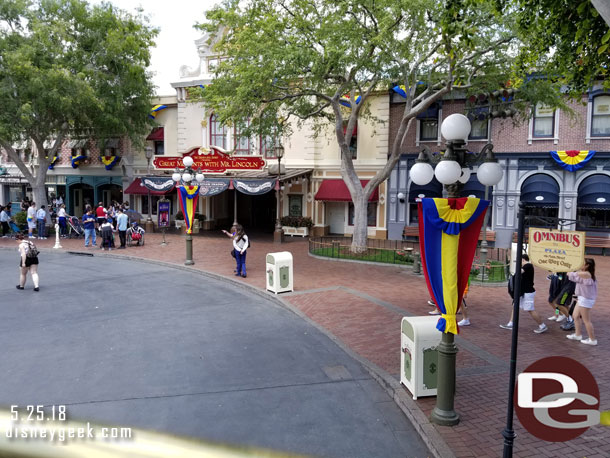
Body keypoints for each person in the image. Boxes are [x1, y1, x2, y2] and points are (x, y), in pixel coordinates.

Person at [500, 254, 548, 334]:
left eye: (519, 261)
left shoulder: (528, 266)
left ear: (523, 260)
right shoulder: (526, 266)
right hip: (522, 292)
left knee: (530, 310)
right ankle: (510, 324)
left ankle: (542, 326)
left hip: (528, 292)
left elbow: (519, 272)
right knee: (515, 306)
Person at [566, 258, 598, 346]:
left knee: (586, 320)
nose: (580, 264)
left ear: (587, 265)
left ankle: (592, 340)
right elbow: (574, 278)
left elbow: (572, 274)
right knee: (575, 316)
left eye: (583, 263)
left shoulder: (586, 274)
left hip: (586, 299)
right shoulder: (583, 274)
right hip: (581, 298)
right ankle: (578, 335)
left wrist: (569, 269)